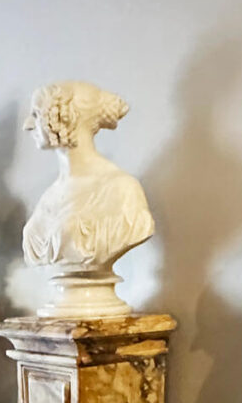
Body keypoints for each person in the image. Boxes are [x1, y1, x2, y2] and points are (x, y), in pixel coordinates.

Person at [22, 81, 154, 269]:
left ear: (64, 118)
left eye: (36, 114)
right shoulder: (48, 197)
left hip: (98, 298)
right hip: (65, 295)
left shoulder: (121, 189)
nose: (27, 125)